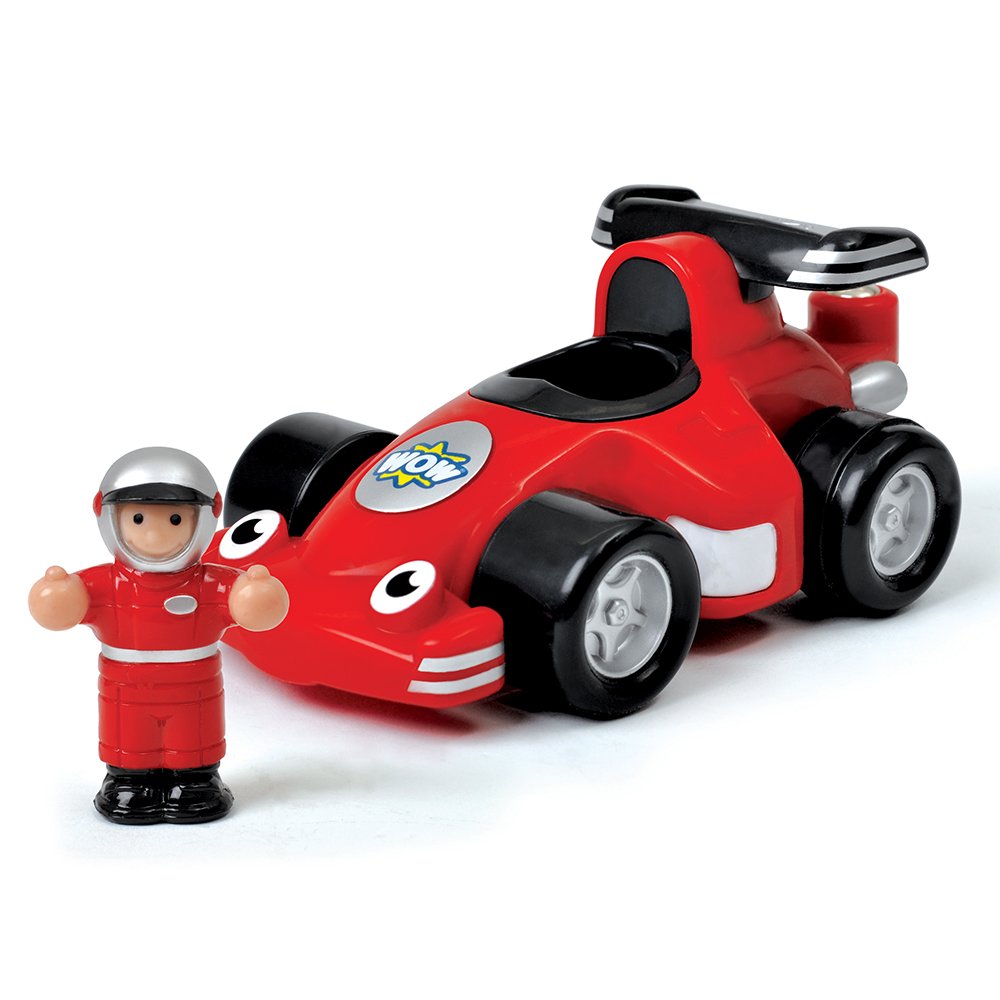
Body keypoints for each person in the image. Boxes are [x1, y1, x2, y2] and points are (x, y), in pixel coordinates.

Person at [29, 447, 289, 824]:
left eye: (174, 519)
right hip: (126, 688)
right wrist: (57, 596)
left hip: (195, 686)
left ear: (207, 514)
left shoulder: (212, 583)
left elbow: (249, 606)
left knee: (194, 739)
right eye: (138, 518)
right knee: (130, 740)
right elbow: (61, 607)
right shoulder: (105, 583)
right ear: (105, 513)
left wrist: (257, 595)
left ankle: (196, 781)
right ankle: (128, 781)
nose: (154, 533)